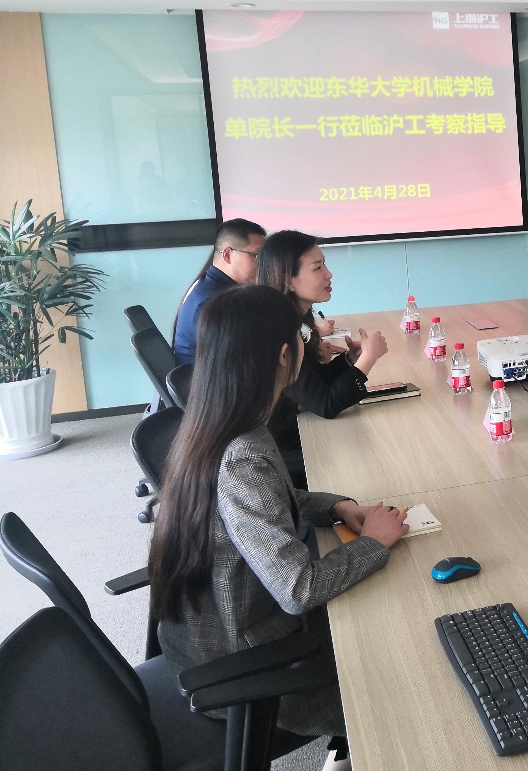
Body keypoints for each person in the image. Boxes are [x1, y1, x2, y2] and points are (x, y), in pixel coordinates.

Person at [148, 284, 408, 749]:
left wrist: (337, 507)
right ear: (286, 354)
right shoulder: (241, 454)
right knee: (407, 670)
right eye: (304, 337)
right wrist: (373, 543)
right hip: (247, 667)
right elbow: (297, 589)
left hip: (211, 635)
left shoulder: (218, 419)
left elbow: (267, 500)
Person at [258, 230, 388, 488]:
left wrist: (350, 359)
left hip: (297, 430)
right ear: (288, 280)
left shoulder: (297, 317)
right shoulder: (280, 329)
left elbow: (313, 383)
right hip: (284, 451)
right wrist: (367, 360)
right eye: (317, 268)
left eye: (324, 265)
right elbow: (325, 404)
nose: (329, 274)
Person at [172, 218, 266, 365]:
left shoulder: (215, 286)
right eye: (257, 256)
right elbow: (235, 360)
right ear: (228, 255)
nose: (263, 264)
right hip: (203, 378)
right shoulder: (211, 301)